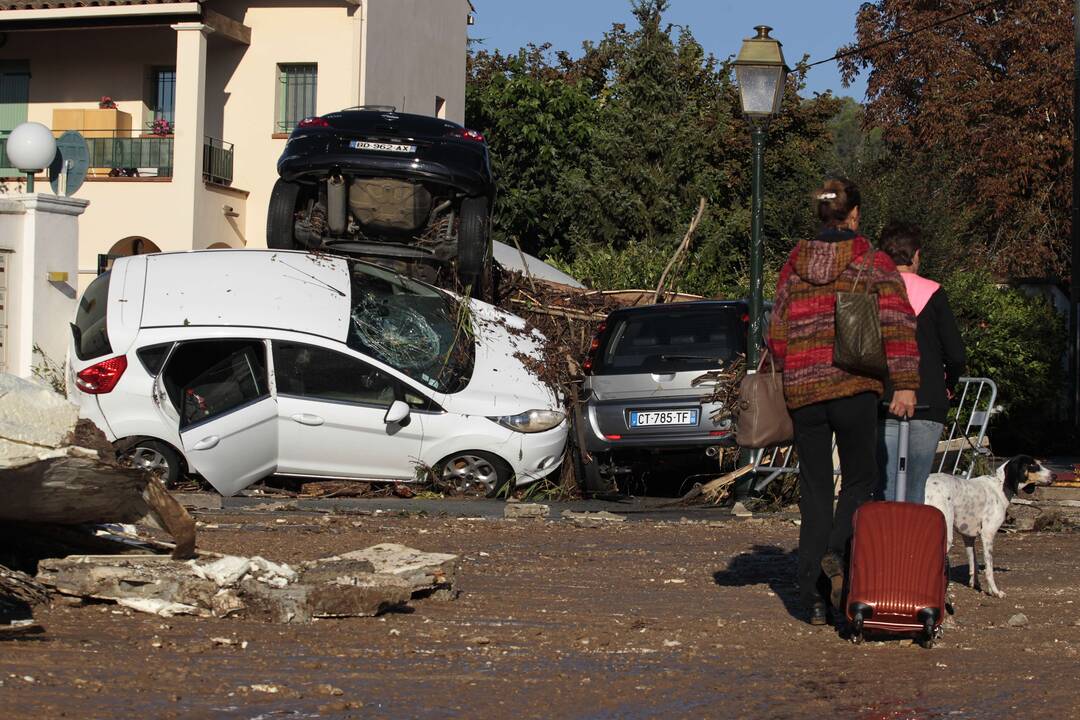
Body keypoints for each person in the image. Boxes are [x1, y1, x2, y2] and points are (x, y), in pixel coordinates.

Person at [768, 178, 920, 625]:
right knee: (861, 480)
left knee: (814, 491)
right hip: (854, 388)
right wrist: (906, 384)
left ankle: (812, 597)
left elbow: (776, 330)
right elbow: (897, 324)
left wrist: (796, 366)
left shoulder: (793, 264)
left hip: (804, 393)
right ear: (853, 216)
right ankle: (836, 552)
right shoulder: (873, 262)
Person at [877, 222, 966, 504]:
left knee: (884, 485)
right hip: (928, 399)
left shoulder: (873, 291)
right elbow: (956, 354)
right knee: (916, 486)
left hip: (883, 400)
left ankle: (883, 545)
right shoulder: (934, 292)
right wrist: (948, 384)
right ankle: (910, 546)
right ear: (915, 255)